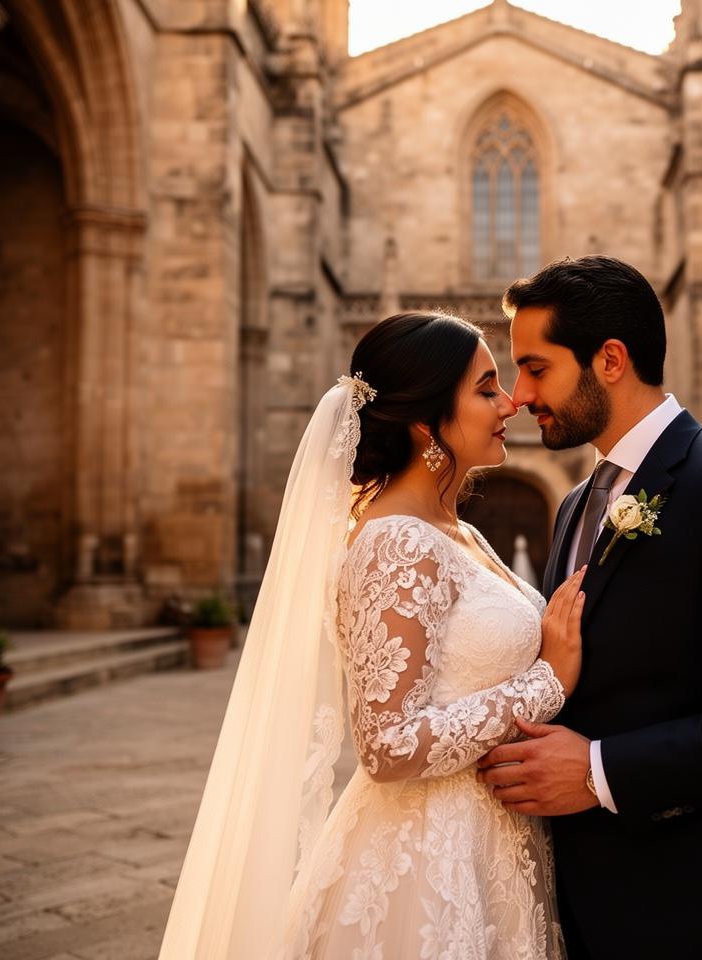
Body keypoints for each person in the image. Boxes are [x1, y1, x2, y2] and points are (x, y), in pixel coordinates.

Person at [158, 312, 584, 959]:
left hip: (493, 846)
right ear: (424, 421)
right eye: (486, 387)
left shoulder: (456, 531)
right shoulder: (394, 543)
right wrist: (547, 682)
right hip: (423, 864)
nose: (510, 403)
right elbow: (388, 747)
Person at [476, 256, 702, 959]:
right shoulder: (578, 504)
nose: (520, 395)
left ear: (610, 359)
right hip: (584, 904)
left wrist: (600, 770)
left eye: (536, 367)